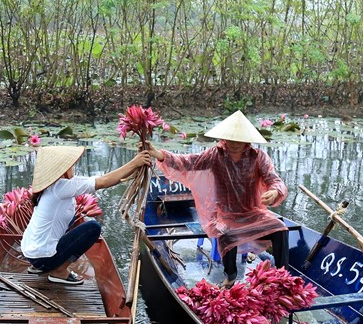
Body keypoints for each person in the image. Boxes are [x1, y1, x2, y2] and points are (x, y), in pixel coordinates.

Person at [147, 110, 288, 287]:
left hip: (253, 212)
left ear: (247, 141)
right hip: (224, 213)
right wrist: (159, 154)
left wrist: (275, 191)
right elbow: (188, 162)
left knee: (280, 228)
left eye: (240, 140)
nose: (235, 144)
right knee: (226, 231)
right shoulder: (215, 155)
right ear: (224, 138)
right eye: (231, 139)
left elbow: (275, 180)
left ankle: (283, 276)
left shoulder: (258, 157)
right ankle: (230, 276)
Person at [21, 145, 151, 285]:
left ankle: (39, 266)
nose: (73, 167)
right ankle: (59, 272)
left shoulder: (50, 187)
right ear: (62, 171)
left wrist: (134, 165)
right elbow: (104, 182)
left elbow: (103, 178)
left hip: (31, 255)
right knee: (93, 228)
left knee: (70, 220)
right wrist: (135, 162)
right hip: (44, 258)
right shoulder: (61, 187)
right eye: (71, 165)